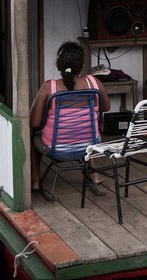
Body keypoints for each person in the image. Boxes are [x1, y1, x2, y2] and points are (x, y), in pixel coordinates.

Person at [29, 41, 110, 192]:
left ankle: (34, 181)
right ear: (82, 64)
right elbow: (106, 107)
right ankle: (95, 175)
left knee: (34, 136)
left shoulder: (49, 87)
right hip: (89, 145)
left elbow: (33, 122)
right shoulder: (93, 82)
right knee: (89, 129)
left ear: (59, 64)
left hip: (55, 147)